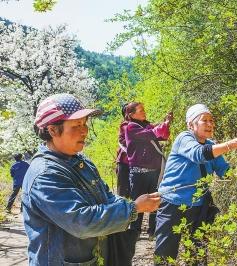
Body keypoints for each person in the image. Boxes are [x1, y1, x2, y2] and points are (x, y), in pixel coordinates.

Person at [22, 93, 161, 265]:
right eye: (76, 125)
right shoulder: (45, 174)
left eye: (85, 123)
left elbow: (106, 196)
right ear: (52, 130)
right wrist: (133, 208)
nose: (84, 131)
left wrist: (134, 204)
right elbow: (82, 221)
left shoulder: (81, 161)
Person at [155, 103, 237, 264]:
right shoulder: (184, 138)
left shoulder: (211, 145)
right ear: (191, 124)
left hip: (199, 205)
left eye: (211, 121)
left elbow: (225, 172)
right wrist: (232, 144)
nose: (209, 124)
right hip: (172, 202)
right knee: (165, 253)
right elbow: (199, 155)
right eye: (204, 120)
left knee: (198, 254)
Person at [123, 102, 173, 238]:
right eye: (141, 111)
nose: (144, 112)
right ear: (132, 114)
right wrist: (163, 124)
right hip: (138, 173)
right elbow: (150, 134)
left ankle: (153, 231)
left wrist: (166, 124)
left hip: (154, 170)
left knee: (155, 200)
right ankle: (134, 232)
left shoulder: (146, 125)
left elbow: (163, 136)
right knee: (138, 202)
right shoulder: (131, 127)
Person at [116, 103, 130, 198]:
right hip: (124, 163)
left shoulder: (142, 125)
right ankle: (121, 212)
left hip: (136, 164)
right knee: (122, 192)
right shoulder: (125, 125)